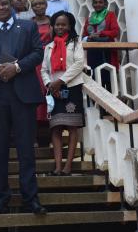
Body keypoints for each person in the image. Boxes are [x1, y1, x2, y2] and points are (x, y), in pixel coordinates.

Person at [0, 0, 47, 215]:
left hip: (22, 96)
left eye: (5, 3)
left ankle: (30, 198)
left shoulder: (27, 27)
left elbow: (37, 53)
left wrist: (16, 68)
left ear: (12, 5)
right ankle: (0, 199)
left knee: (26, 151)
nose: (2, 7)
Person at [41, 11, 84, 176]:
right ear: (53, 26)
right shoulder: (48, 46)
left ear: (70, 26)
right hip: (54, 91)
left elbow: (79, 63)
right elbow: (44, 69)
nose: (60, 27)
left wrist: (61, 81)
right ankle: (58, 167)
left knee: (72, 127)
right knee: (56, 128)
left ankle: (68, 166)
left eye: (63, 24)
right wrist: (50, 84)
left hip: (71, 88)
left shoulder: (75, 42)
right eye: (57, 24)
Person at [82, 0, 119, 89]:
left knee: (109, 81)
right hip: (93, 53)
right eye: (95, 2)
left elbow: (115, 32)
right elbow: (83, 36)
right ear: (92, 4)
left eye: (100, 2)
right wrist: (89, 37)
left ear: (105, 4)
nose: (98, 4)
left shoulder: (110, 15)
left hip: (107, 52)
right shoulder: (89, 19)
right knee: (96, 80)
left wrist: (101, 33)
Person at [31, 0, 52, 129]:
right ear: (32, 8)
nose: (39, 6)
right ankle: (38, 121)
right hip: (35, 60)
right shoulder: (29, 23)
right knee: (38, 88)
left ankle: (51, 120)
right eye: (35, 5)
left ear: (46, 5)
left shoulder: (53, 21)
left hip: (50, 58)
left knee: (49, 87)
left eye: (41, 4)